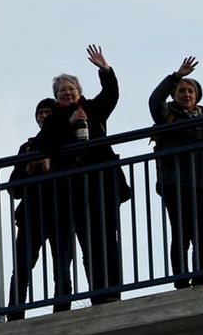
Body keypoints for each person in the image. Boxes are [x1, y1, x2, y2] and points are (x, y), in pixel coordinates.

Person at [30, 45, 132, 304]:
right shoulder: (54, 121)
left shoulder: (93, 109)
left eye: (71, 89)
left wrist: (106, 70)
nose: (67, 92)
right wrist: (68, 123)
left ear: (79, 92)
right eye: (62, 90)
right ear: (56, 96)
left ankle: (113, 292)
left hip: (103, 183)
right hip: (74, 188)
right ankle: (98, 293)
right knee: (88, 243)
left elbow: (111, 95)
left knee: (108, 240)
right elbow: (42, 144)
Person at [148, 57, 203, 288]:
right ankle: (181, 279)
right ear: (175, 94)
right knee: (181, 232)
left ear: (197, 96)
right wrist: (176, 76)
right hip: (176, 183)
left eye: (190, 91)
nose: (186, 94)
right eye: (181, 91)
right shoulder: (167, 115)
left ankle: (201, 277)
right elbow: (154, 100)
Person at [6, 99, 73, 319]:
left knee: (62, 269)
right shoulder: (28, 147)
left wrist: (49, 169)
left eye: (48, 112)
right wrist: (28, 169)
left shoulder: (66, 141)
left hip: (61, 212)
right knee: (22, 269)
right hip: (31, 215)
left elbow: (73, 178)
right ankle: (15, 315)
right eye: (40, 113)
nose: (44, 116)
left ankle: (61, 313)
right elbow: (13, 189)